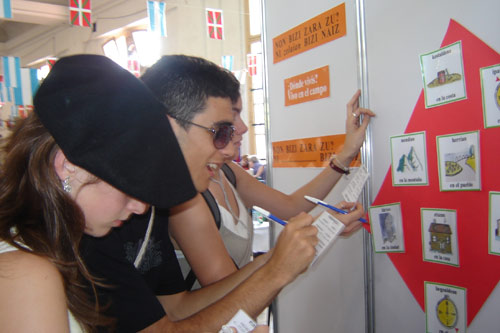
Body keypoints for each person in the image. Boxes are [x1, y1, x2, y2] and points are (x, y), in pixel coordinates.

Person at [81, 55, 366, 332]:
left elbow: (176, 307)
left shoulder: (163, 201)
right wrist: (277, 268)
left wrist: (284, 255)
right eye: (221, 129)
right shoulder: (92, 222)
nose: (234, 139)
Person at [0, 55, 198, 332]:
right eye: (130, 187)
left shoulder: (43, 250)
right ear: (68, 166)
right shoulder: (26, 274)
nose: (141, 208)